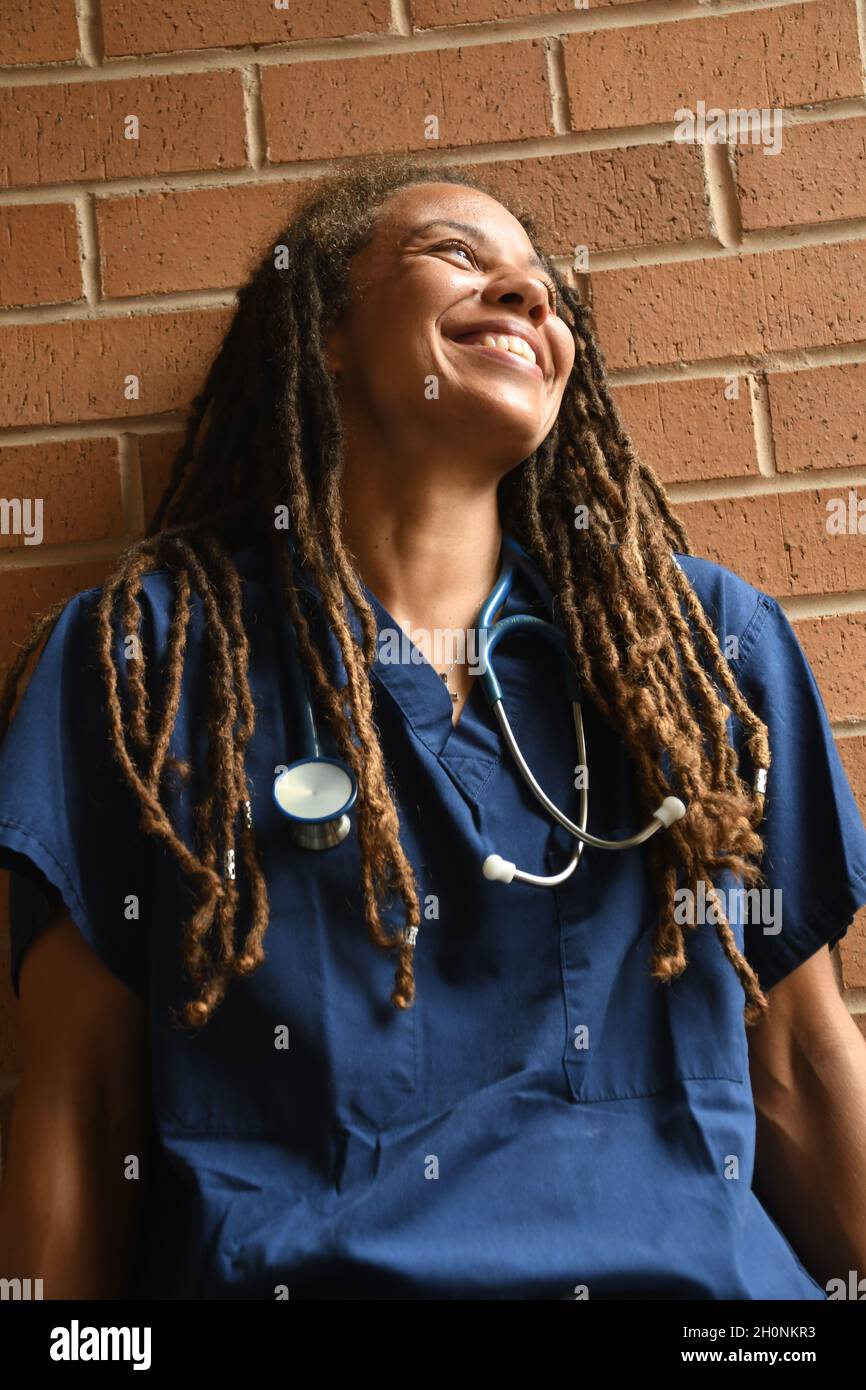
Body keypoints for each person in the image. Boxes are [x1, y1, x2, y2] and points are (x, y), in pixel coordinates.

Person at [1, 152, 865, 1301]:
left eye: (541, 286)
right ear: (325, 335)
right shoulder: (145, 663)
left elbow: (801, 1068)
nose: (526, 295)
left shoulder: (699, 645)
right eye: (457, 255)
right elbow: (79, 1099)